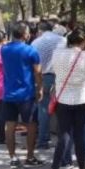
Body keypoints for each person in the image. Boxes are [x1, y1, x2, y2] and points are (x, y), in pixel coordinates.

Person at [40, 28, 85, 169]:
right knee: (79, 135)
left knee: (63, 135)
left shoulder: (57, 53)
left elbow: (53, 71)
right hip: (83, 98)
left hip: (63, 99)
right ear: (84, 41)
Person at [1, 22, 44, 168]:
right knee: (31, 125)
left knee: (10, 126)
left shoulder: (4, 49)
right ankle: (30, 156)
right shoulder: (31, 51)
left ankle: (13, 157)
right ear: (25, 34)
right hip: (26, 93)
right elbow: (38, 72)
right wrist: (40, 88)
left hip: (8, 93)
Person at [30, 21, 65, 149]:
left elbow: (32, 63)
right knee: (62, 109)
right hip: (61, 78)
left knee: (43, 110)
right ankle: (63, 140)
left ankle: (43, 140)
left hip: (43, 77)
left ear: (40, 30)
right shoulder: (63, 40)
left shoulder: (36, 42)